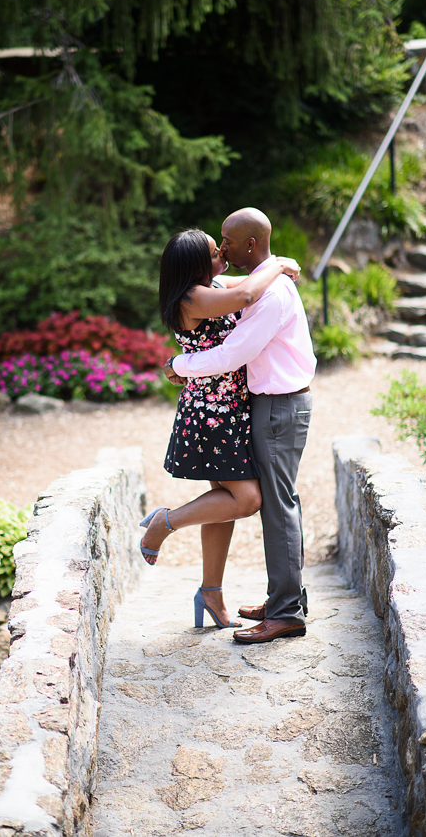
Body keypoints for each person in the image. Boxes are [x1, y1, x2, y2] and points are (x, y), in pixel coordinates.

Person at [164, 208, 316, 645]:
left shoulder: (269, 292)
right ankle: (286, 600)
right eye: (217, 245)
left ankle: (286, 611)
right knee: (274, 502)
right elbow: (237, 292)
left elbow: (231, 355)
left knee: (276, 504)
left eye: (227, 241)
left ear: (250, 244)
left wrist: (179, 364)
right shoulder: (252, 282)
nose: (223, 248)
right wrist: (280, 263)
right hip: (256, 406)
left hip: (277, 405)